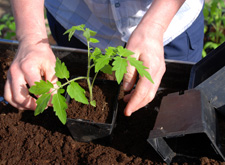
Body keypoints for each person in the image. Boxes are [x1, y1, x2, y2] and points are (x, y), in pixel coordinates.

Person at [4, 0, 204, 116]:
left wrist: (156, 26)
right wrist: (30, 37)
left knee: (177, 107)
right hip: (77, 15)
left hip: (170, 20)